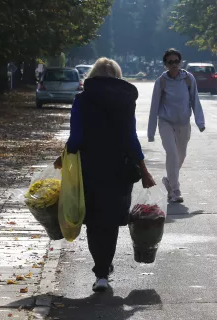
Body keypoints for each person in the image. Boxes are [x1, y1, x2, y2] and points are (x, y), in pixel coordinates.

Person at [55, 58, 156, 292]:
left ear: (92, 75)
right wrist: (143, 169)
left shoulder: (82, 100)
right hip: (119, 169)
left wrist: (64, 155)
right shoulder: (125, 101)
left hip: (90, 167)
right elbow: (131, 137)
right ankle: (104, 270)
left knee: (93, 221)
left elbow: (77, 136)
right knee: (110, 222)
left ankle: (100, 270)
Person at [147, 48, 205, 203]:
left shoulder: (188, 78)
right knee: (172, 154)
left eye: (176, 61)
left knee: (181, 156)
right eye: (170, 62)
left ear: (180, 62)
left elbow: (195, 100)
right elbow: (154, 107)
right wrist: (151, 132)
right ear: (165, 64)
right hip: (166, 122)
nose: (174, 65)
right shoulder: (162, 81)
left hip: (184, 123)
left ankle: (168, 180)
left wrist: (200, 122)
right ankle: (175, 190)